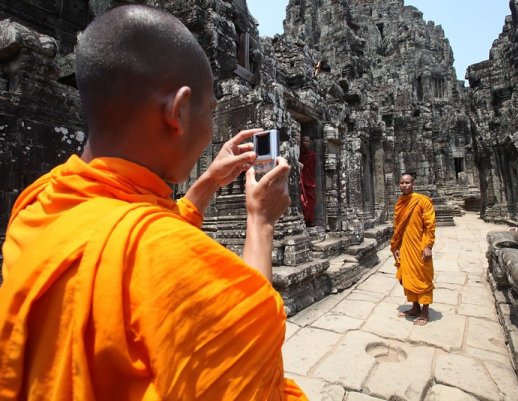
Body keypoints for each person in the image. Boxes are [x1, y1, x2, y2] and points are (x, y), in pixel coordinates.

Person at [0, 5, 307, 400]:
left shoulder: (39, 202)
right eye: (211, 111)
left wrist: (208, 181)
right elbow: (249, 367)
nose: (212, 126)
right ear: (177, 111)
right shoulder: (167, 256)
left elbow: (130, 227)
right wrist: (261, 221)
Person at [390, 173, 436, 326]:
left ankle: (425, 310)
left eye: (407, 182)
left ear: (413, 184)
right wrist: (396, 246)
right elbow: (398, 227)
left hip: (420, 245)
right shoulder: (400, 202)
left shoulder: (422, 201)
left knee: (422, 277)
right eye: (402, 182)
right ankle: (415, 307)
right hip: (405, 245)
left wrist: (428, 245)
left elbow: (430, 225)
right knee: (405, 277)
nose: (404, 185)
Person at [299, 135, 316, 226]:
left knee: (310, 201)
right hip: (302, 179)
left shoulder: (312, 155)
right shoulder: (299, 154)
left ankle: (310, 220)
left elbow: (312, 169)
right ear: (301, 142)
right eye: (305, 141)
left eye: (308, 141)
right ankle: (305, 219)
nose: (306, 143)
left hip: (310, 181)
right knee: (303, 201)